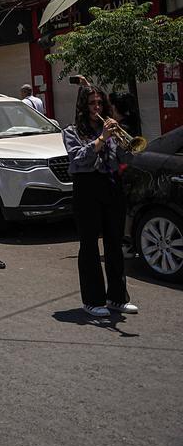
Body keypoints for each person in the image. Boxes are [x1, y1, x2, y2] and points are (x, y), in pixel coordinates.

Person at [63, 82, 138, 318]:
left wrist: (126, 142)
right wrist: (102, 138)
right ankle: (92, 300)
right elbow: (78, 160)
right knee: (89, 246)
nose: (96, 107)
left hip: (112, 185)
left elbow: (126, 158)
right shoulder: (71, 132)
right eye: (91, 103)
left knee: (115, 243)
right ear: (83, 106)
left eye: (99, 102)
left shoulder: (112, 128)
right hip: (87, 188)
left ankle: (117, 297)